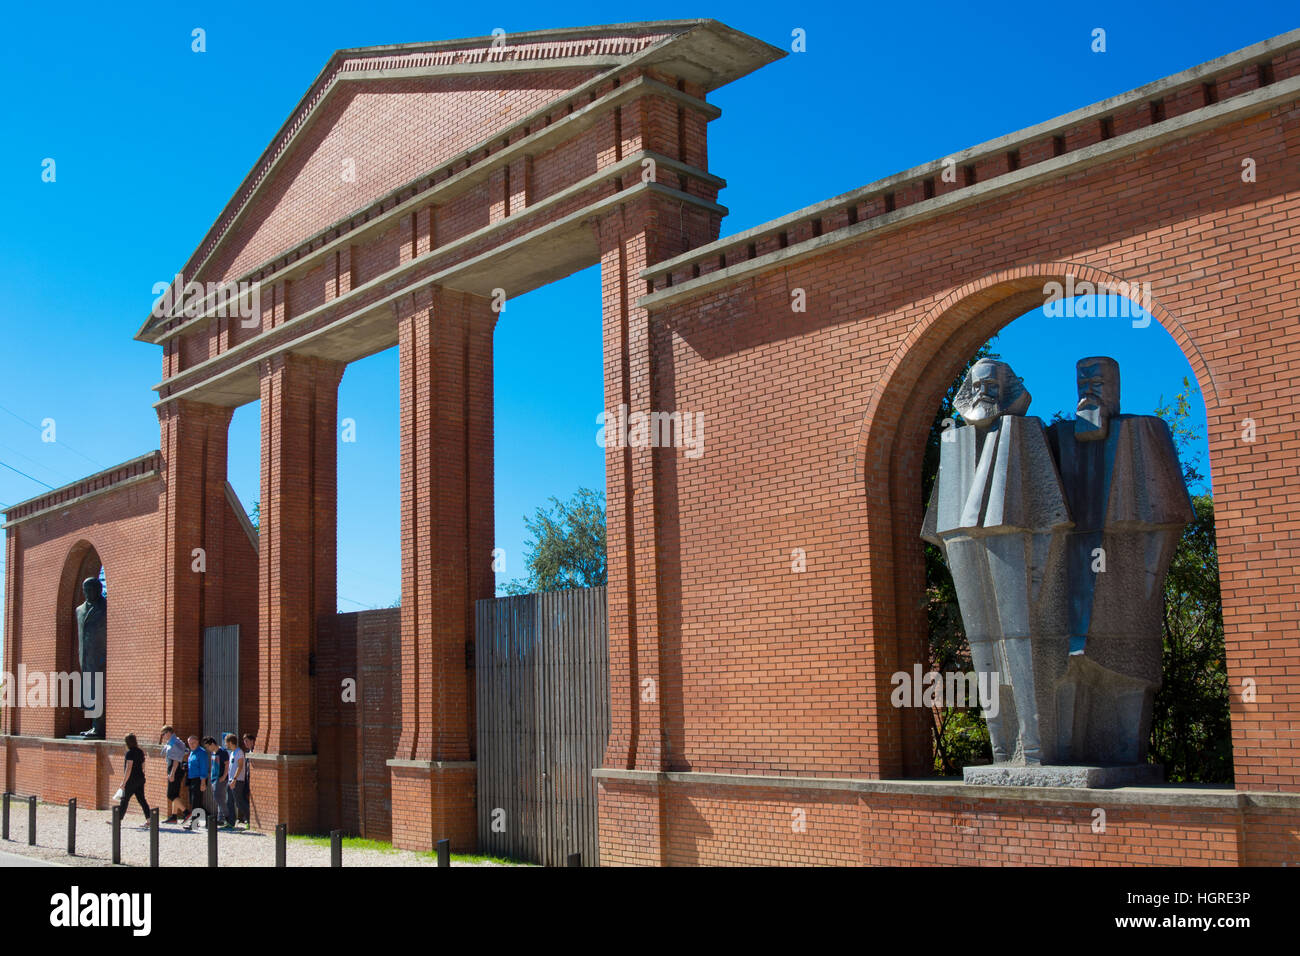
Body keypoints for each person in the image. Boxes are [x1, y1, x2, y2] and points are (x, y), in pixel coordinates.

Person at [116, 734, 150, 823]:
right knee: (142, 800)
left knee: (124, 800)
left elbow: (128, 768)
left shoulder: (129, 753)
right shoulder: (140, 751)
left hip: (131, 780)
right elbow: (143, 766)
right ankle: (149, 820)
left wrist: (123, 782)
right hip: (140, 778)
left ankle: (117, 820)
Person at [158, 725, 188, 823]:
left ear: (169, 732)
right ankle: (174, 816)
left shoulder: (174, 743)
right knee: (175, 794)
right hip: (176, 770)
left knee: (170, 794)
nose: (163, 736)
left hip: (175, 770)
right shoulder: (175, 741)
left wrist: (172, 774)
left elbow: (176, 760)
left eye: (164, 734)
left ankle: (187, 812)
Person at [182, 734, 209, 830]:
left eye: (193, 743)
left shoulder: (201, 753)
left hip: (199, 779)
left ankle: (194, 823)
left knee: (195, 802)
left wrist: (203, 782)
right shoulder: (192, 752)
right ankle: (207, 819)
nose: (191, 745)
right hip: (191, 779)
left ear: (197, 742)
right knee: (195, 801)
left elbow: (204, 768)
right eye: (190, 743)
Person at [224, 733, 248, 829]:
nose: (226, 745)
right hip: (231, 780)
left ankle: (250, 819)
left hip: (237, 780)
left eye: (226, 743)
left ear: (230, 742)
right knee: (229, 801)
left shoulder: (239, 752)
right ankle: (231, 822)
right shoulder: (232, 753)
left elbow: (240, 766)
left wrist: (234, 779)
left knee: (239, 802)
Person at [205, 737, 228, 826]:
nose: (208, 749)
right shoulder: (213, 753)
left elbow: (227, 765)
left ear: (213, 744)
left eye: (208, 746)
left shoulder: (222, 752)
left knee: (218, 798)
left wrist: (224, 776)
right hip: (214, 778)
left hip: (220, 778)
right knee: (219, 799)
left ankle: (227, 816)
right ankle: (220, 818)